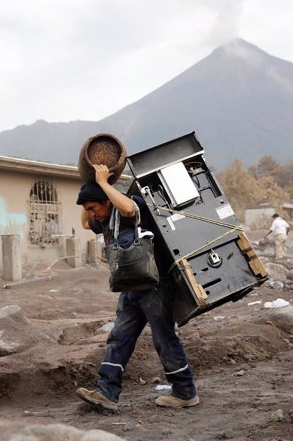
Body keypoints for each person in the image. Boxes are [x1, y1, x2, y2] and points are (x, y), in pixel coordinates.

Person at [75, 164, 199, 411]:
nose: (91, 213)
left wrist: (103, 183)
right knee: (118, 337)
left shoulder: (129, 206)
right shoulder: (105, 219)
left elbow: (129, 208)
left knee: (163, 338)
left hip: (155, 285)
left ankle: (185, 392)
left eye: (93, 207)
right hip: (130, 288)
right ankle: (107, 392)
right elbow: (85, 225)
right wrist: (88, 184)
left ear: (106, 200)